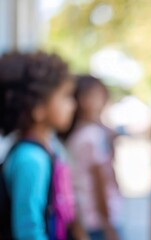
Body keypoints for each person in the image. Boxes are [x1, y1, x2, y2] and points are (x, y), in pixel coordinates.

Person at [0, 52, 78, 239]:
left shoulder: (50, 147)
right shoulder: (31, 159)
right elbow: (29, 230)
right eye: (65, 96)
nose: (73, 105)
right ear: (38, 108)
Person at [64, 75, 123, 240]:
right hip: (98, 220)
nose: (102, 100)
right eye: (98, 95)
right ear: (83, 100)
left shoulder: (82, 133)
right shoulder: (92, 136)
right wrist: (108, 224)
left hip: (88, 218)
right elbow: (100, 183)